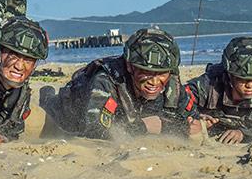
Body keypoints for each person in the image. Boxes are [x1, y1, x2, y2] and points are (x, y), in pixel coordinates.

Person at [40, 27, 201, 139]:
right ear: (130, 66)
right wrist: (143, 127)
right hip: (66, 110)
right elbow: (95, 132)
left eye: (161, 73)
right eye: (146, 72)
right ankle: (47, 95)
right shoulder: (106, 80)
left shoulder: (173, 84)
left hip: (130, 116)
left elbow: (192, 121)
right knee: (49, 110)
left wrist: (194, 125)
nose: (154, 81)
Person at [185, 36, 252, 144]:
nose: (250, 85)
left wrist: (243, 134)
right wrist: (195, 118)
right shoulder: (209, 85)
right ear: (230, 75)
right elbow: (180, 102)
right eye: (242, 79)